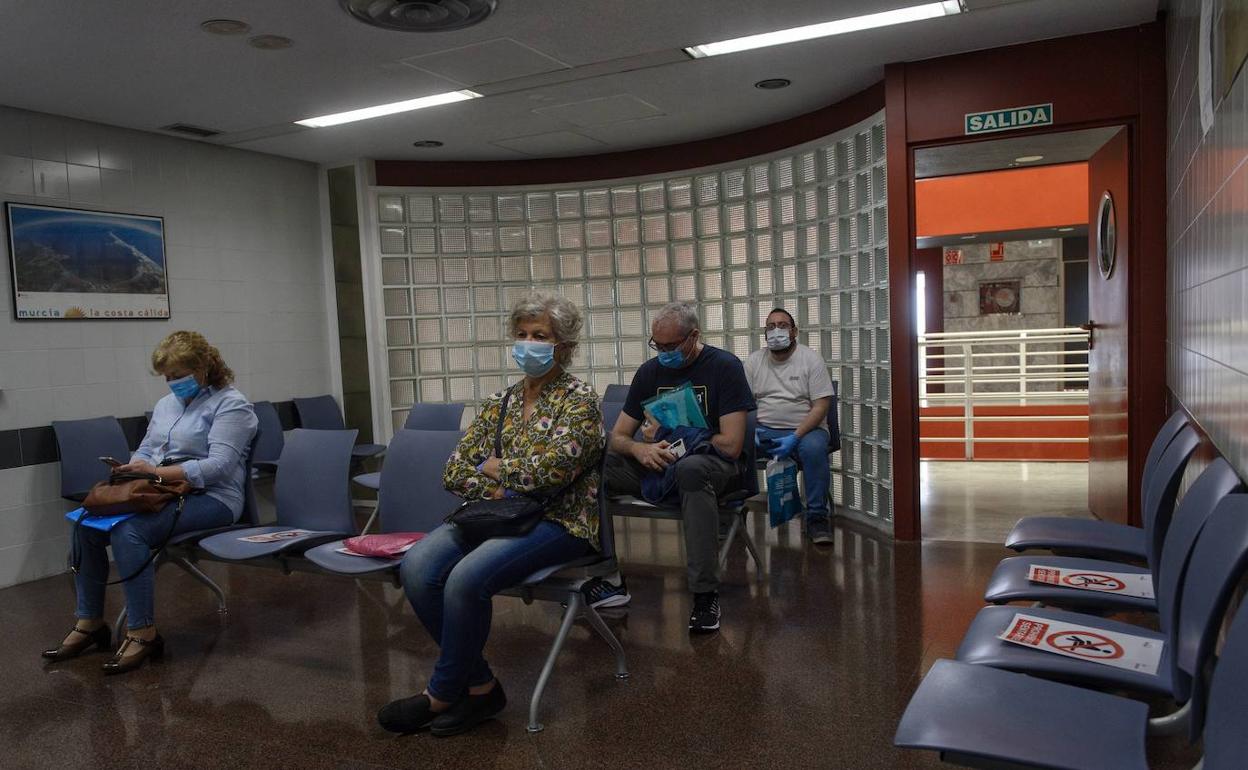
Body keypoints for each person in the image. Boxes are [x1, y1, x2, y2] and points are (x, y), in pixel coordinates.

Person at [379, 291, 603, 737]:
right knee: (417, 567)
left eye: (540, 335)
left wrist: (498, 468)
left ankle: (441, 692)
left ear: (563, 345)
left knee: (465, 578)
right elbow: (454, 470)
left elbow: (552, 474)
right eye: (521, 333)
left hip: (561, 520)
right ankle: (481, 686)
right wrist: (500, 483)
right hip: (494, 513)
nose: (527, 343)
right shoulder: (500, 401)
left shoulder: (580, 400)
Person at [43, 331, 258, 674]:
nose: (172, 383)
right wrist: (133, 468)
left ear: (202, 368)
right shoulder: (165, 405)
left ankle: (143, 632)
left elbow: (219, 467)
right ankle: (89, 623)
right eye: (167, 376)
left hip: (213, 497)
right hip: (162, 490)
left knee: (130, 532)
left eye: (178, 375)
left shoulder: (232, 405)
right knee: (86, 523)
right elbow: (148, 448)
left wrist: (156, 472)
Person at [586, 301, 754, 633]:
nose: (663, 353)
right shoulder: (650, 373)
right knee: (595, 467)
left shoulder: (725, 367)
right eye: (657, 346)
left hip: (713, 466)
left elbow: (732, 445)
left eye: (671, 346)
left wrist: (674, 434)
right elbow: (618, 436)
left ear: (693, 336)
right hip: (661, 462)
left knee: (691, 469)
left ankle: (705, 594)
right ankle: (609, 579)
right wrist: (640, 448)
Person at [745, 308, 837, 544]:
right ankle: (733, 509)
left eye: (783, 325)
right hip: (764, 431)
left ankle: (816, 518)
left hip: (806, 431)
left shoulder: (811, 360)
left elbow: (821, 406)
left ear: (794, 331)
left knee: (814, 449)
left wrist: (796, 436)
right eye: (771, 326)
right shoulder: (754, 362)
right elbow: (744, 404)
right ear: (765, 333)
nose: (776, 331)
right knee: (732, 445)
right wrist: (750, 431)